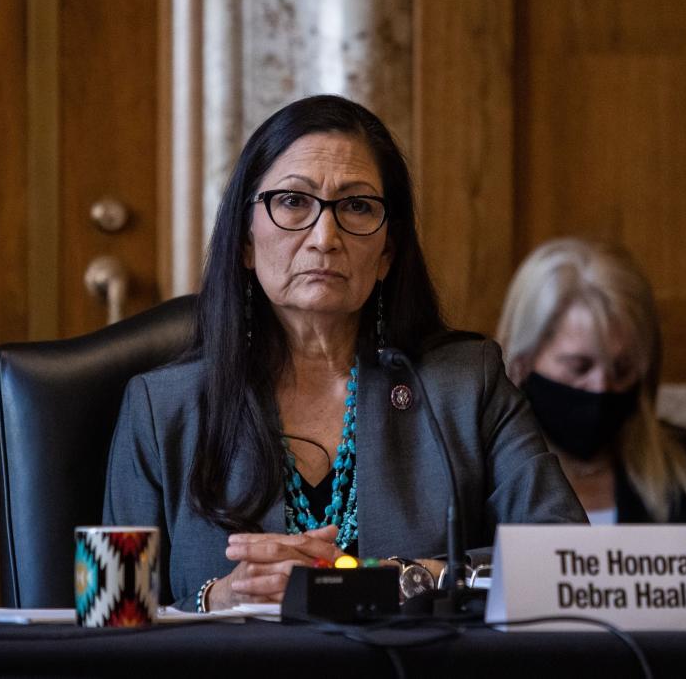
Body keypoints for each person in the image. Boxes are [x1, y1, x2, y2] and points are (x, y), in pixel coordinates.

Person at [105, 95, 585, 611]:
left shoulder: (466, 386)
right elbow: (112, 611)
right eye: (293, 201)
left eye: (357, 206)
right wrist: (218, 597)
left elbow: (569, 559)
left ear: (387, 254)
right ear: (246, 240)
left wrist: (401, 578)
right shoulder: (161, 409)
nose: (324, 237)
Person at [495, 238, 686, 525]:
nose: (602, 387)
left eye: (622, 369)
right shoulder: (483, 480)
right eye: (579, 367)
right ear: (521, 361)